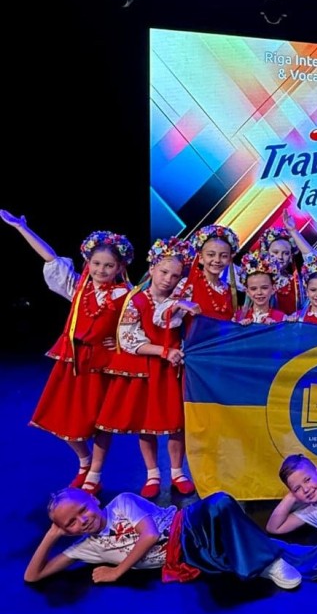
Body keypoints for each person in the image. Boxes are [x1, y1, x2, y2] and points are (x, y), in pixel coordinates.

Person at [2, 211, 134, 492]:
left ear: (120, 267)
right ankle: (84, 461)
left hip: (103, 364)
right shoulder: (78, 288)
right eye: (96, 263)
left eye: (108, 265)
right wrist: (22, 228)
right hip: (72, 360)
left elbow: (138, 325)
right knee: (61, 417)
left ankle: (95, 474)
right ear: (88, 262)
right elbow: (50, 258)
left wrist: (119, 342)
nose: (101, 270)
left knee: (101, 423)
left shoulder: (125, 295)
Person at [23, 486, 317, 589]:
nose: (81, 522)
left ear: (93, 500)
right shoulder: (86, 547)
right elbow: (33, 576)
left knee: (219, 503)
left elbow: (148, 536)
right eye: (70, 524)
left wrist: (117, 571)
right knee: (244, 546)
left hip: (186, 526)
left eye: (81, 511)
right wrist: (51, 536)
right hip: (188, 558)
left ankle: (270, 565)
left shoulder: (121, 504)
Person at [96, 237, 198, 499]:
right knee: (146, 424)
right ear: (152, 268)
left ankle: (177, 472)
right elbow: (129, 338)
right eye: (163, 272)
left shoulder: (182, 299)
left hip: (174, 370)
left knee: (176, 424)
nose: (168, 279)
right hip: (149, 369)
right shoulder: (137, 300)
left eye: (174, 275)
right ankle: (152, 473)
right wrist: (163, 351)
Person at [173, 223, 240, 321]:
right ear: (200, 257)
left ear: (230, 259)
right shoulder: (189, 283)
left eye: (224, 256)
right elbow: (166, 314)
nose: (217, 260)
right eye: (211, 255)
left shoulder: (227, 289)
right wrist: (179, 304)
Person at [252, 225, 302, 316]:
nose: (280, 257)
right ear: (266, 253)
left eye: (285, 253)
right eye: (275, 252)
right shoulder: (255, 280)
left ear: (291, 256)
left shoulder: (298, 283)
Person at [233, 251, 286, 324]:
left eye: (264, 288)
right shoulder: (237, 317)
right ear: (247, 291)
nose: (259, 292)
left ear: (273, 289)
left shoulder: (282, 318)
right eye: (253, 289)